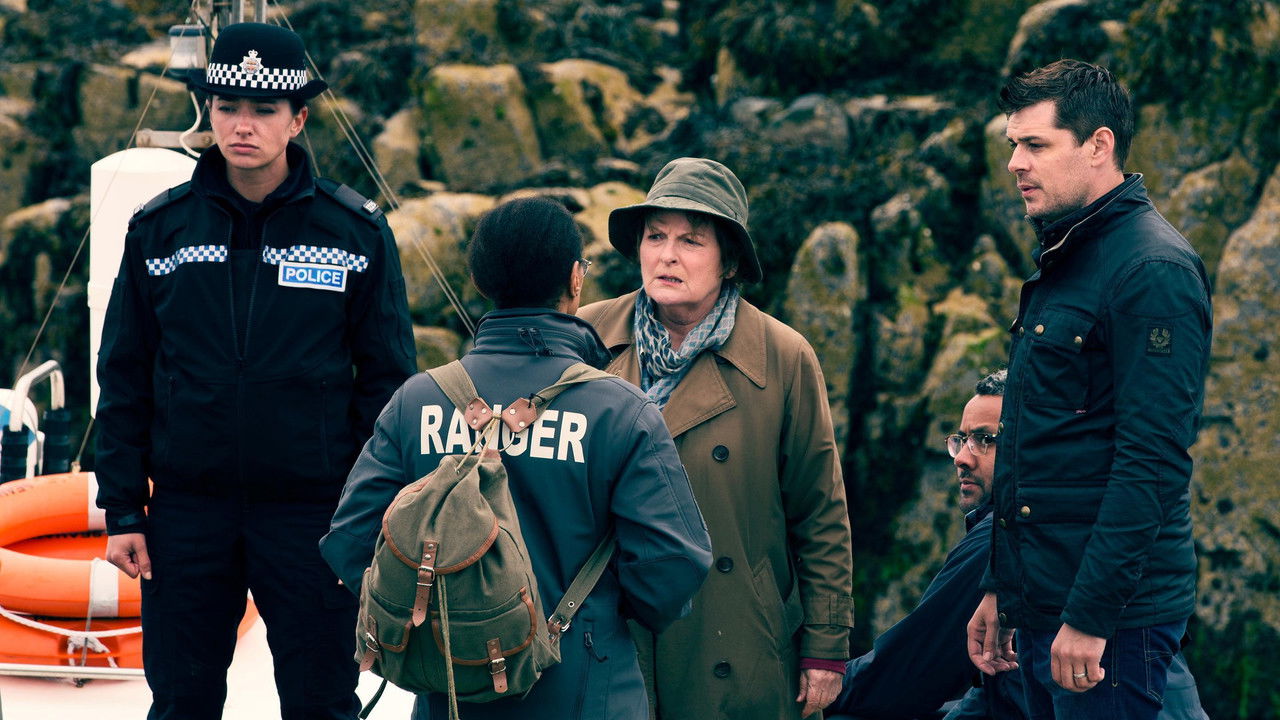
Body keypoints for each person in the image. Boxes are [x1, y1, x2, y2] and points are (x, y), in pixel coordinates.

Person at [94, 22, 416, 720]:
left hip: (315, 516)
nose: (243, 125)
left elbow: (387, 382)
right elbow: (123, 372)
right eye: (228, 106)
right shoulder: (159, 230)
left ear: (298, 119)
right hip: (186, 513)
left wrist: (371, 510)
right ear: (209, 112)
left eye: (264, 109)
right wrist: (122, 508)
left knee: (321, 703)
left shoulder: (354, 233)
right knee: (181, 702)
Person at [321, 196, 713, 720]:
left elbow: (351, 541)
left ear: (480, 280)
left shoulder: (416, 400)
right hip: (586, 687)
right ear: (575, 279)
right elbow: (674, 566)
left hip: (450, 693)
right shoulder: (621, 410)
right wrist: (594, 613)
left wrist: (440, 617)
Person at [966, 59, 1213, 720]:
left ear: (1099, 144)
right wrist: (1002, 587)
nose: (1015, 163)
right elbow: (1035, 443)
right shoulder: (1068, 254)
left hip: (1107, 625)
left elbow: (1152, 462)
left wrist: (1090, 617)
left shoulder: (1152, 270)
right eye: (1013, 144)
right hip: (1042, 604)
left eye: (1035, 144)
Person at [578, 157, 855, 720]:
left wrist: (826, 646)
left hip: (737, 637)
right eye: (655, 236)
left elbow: (819, 512)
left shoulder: (784, 356)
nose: (667, 255)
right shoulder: (584, 336)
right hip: (603, 630)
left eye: (691, 241)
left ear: (729, 261)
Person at [826, 371, 1208, 720]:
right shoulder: (1051, 528)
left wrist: (813, 679)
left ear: (1035, 448)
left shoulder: (1005, 536)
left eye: (985, 440)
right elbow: (999, 692)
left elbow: (907, 673)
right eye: (960, 440)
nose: (961, 458)